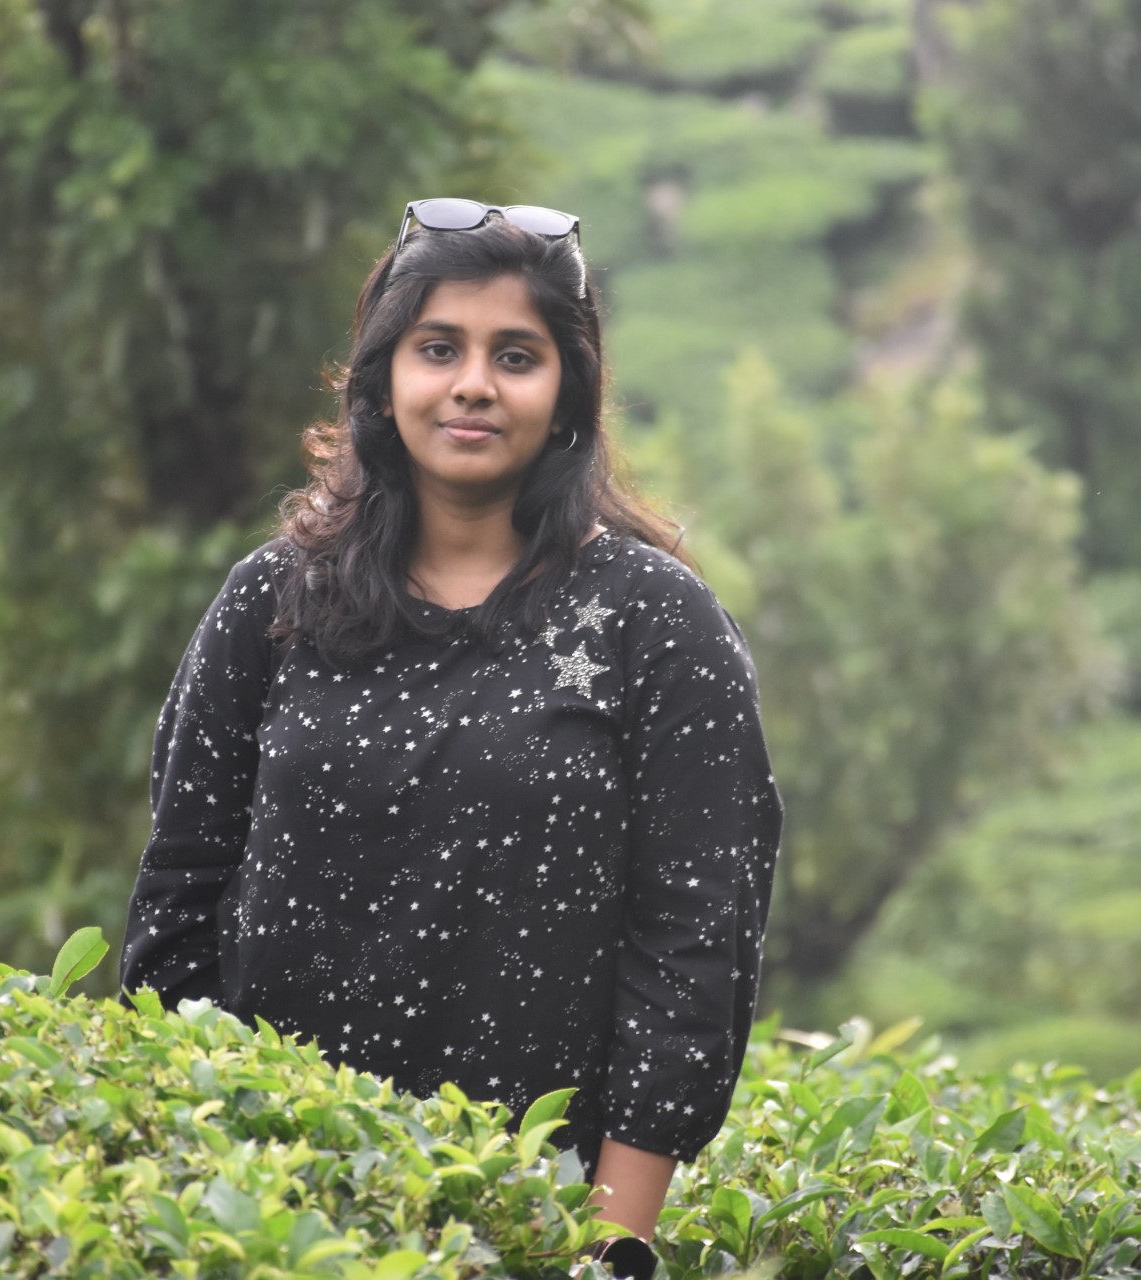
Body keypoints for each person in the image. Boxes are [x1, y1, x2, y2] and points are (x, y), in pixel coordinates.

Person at [120, 198, 782, 1249]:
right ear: (383, 376)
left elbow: (693, 946)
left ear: (567, 394)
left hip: (535, 1211)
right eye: (438, 348)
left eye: (515, 355)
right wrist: (211, 1185)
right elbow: (177, 899)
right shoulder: (273, 602)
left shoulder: (655, 622)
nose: (473, 383)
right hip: (266, 1204)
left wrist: (606, 1246)